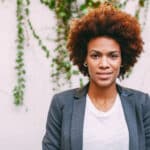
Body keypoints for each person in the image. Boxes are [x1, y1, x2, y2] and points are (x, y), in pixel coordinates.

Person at [42, 3, 150, 150]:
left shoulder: (142, 104)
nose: (104, 64)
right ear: (85, 59)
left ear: (122, 60)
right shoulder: (62, 104)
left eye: (113, 56)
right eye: (95, 55)